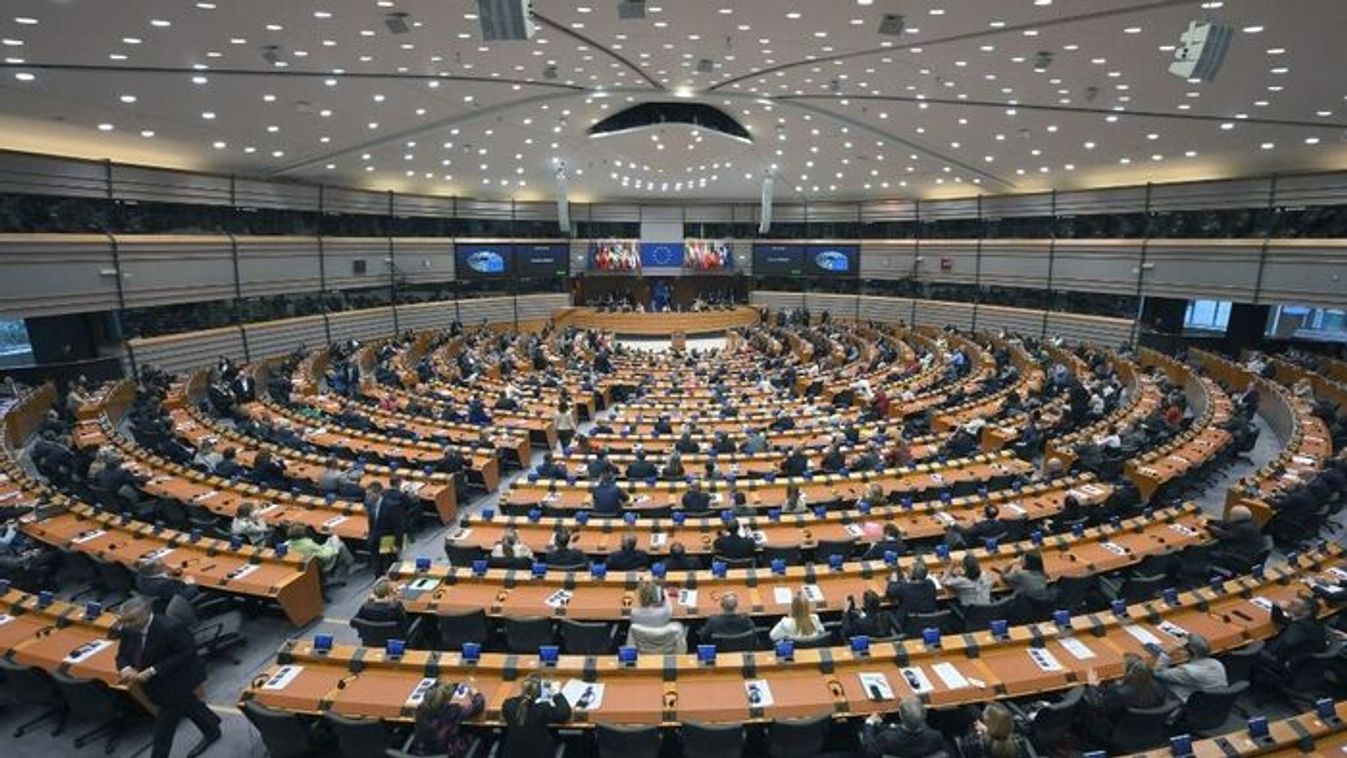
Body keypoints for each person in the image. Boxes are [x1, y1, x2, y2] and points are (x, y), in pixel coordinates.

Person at [114, 596, 222, 758]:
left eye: (131, 620)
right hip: (156, 683)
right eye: (124, 621)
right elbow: (122, 655)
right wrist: (125, 668)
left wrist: (152, 670)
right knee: (189, 704)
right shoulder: (129, 629)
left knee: (164, 728)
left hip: (179, 678)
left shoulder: (170, 628)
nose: (127, 625)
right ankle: (212, 728)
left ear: (146, 613)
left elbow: (187, 652)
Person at [1081, 653, 1164, 747]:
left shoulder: (1119, 693)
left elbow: (1099, 707)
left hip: (1118, 730)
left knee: (1084, 701)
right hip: (1149, 729)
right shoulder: (1157, 686)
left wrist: (1092, 687)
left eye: (1122, 666)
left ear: (1128, 671)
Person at [500, 674, 572, 758]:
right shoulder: (542, 708)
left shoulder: (508, 705)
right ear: (539, 693)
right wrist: (557, 694)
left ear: (522, 688)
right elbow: (564, 714)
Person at [1259, 595, 1327, 681]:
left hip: (1291, 666)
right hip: (1303, 663)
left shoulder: (1300, 627)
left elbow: (1285, 644)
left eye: (1293, 604)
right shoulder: (1310, 621)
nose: (1288, 604)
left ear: (1306, 612)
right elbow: (1281, 619)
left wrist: (1268, 652)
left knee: (1255, 647)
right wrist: (1277, 606)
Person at [410, 680, 485, 757]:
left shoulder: (420, 710)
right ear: (446, 700)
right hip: (448, 754)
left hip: (421, 754)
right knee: (476, 735)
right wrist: (476, 693)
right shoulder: (452, 711)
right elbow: (478, 706)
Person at [1151, 633, 1227, 702]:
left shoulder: (1187, 671)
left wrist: (1167, 652)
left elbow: (1158, 672)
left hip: (1188, 702)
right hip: (1214, 701)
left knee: (1151, 677)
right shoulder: (1217, 664)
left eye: (1182, 648)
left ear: (1190, 651)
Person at [859, 698, 946, 758]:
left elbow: (869, 751)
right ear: (925, 715)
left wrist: (869, 724)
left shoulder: (887, 738)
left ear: (900, 715)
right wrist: (893, 727)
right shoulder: (936, 736)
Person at [368, 480, 409, 576]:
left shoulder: (391, 506)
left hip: (388, 540)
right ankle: (379, 584)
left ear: (378, 493)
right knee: (377, 569)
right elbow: (372, 523)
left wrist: (399, 544)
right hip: (375, 540)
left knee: (393, 567)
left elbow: (398, 527)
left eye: (370, 494)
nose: (368, 497)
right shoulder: (371, 506)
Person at [959, 702, 1027, 758]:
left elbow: (965, 745)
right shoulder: (1019, 741)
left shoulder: (973, 745)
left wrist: (979, 732)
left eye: (983, 719)